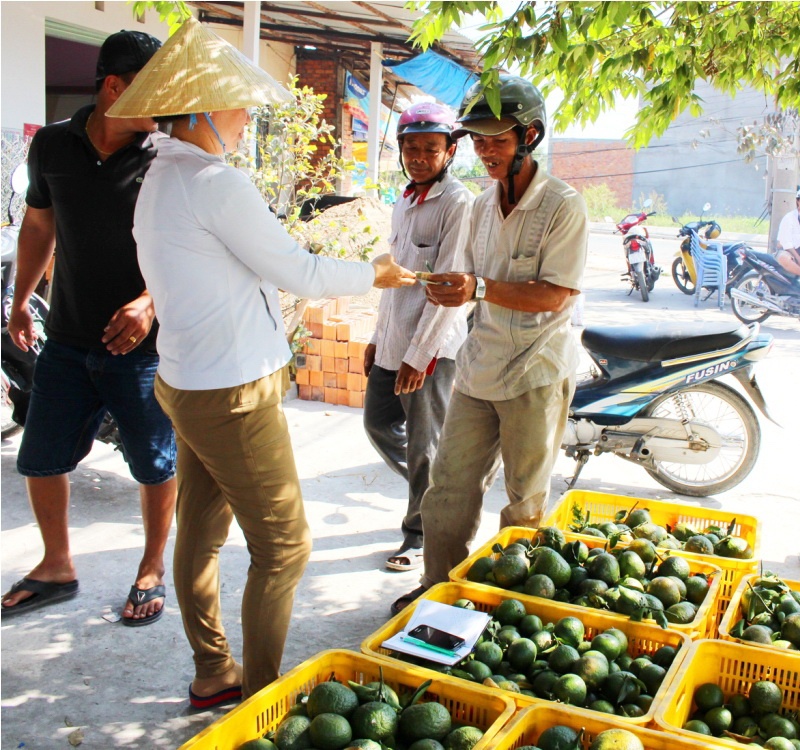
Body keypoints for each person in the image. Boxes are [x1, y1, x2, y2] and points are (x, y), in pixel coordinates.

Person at [106, 18, 415, 703]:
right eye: (238, 105)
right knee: (286, 546)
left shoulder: (161, 177)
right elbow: (298, 272)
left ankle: (214, 668)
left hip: (188, 382)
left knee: (203, 530)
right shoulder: (213, 180)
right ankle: (262, 697)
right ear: (206, 111)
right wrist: (376, 273)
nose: (247, 117)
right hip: (233, 394)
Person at [391, 74, 589, 615]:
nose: (485, 152)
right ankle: (437, 590)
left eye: (497, 140)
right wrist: (435, 287)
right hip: (479, 368)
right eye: (478, 141)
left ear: (531, 135)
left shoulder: (563, 206)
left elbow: (555, 295)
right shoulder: (480, 206)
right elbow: (468, 283)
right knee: (447, 490)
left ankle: (515, 604)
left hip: (536, 372)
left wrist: (477, 288)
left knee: (524, 501)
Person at [1, 30, 177, 628]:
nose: (171, 104)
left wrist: (150, 301)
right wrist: (22, 301)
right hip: (70, 340)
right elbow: (37, 229)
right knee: (41, 457)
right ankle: (56, 566)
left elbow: (193, 249)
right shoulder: (51, 147)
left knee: (155, 462)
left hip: (144, 348)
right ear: (114, 87)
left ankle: (152, 567)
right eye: (157, 89)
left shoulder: (166, 156)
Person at [363, 102, 472, 573]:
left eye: (431, 148)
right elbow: (395, 277)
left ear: (449, 152)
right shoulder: (404, 199)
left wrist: (420, 355)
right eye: (411, 148)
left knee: (425, 445)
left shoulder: (458, 203)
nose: (419, 157)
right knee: (377, 423)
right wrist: (376, 336)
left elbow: (450, 290)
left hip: (430, 350)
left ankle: (420, 533)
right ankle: (443, 492)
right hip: (392, 341)